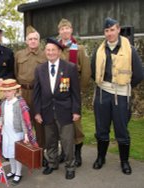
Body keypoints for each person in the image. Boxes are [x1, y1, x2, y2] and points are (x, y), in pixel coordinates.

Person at [91, 17, 144, 175]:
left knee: (121, 129)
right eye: (106, 31)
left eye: (112, 30)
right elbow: (94, 72)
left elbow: (139, 74)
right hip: (102, 93)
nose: (109, 33)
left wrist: (123, 86)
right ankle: (101, 158)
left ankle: (125, 162)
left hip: (121, 94)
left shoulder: (130, 50)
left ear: (118, 29)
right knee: (101, 129)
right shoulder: (99, 50)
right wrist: (106, 85)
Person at [33, 38, 81, 179]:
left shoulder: (69, 68)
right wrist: (37, 112)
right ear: (45, 52)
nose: (51, 52)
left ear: (59, 52)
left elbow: (75, 92)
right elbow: (36, 93)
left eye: (53, 50)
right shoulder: (40, 69)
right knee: (50, 140)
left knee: (67, 141)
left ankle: (70, 166)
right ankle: (52, 163)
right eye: (48, 50)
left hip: (65, 111)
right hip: (47, 111)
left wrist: (76, 111)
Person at [57, 18, 91, 167]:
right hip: (58, 93)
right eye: (62, 28)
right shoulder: (55, 48)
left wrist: (79, 90)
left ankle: (77, 153)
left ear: (71, 30)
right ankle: (64, 152)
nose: (65, 31)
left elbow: (86, 72)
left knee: (76, 124)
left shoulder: (79, 49)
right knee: (60, 123)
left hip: (73, 91)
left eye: (67, 28)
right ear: (59, 31)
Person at [0, 79, 38, 185]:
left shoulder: (19, 103)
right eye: (4, 91)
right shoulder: (4, 103)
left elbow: (24, 120)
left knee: (17, 154)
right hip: (7, 132)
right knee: (10, 154)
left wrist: (26, 134)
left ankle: (18, 173)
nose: (6, 93)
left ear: (15, 91)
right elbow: (2, 116)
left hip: (17, 133)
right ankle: (13, 171)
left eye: (9, 91)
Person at [14, 25, 47, 166]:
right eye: (30, 39)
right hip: (22, 92)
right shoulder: (19, 55)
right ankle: (23, 152)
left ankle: (41, 153)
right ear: (26, 41)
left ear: (39, 41)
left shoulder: (45, 55)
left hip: (39, 93)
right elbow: (14, 73)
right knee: (21, 124)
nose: (33, 41)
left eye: (35, 39)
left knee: (39, 124)